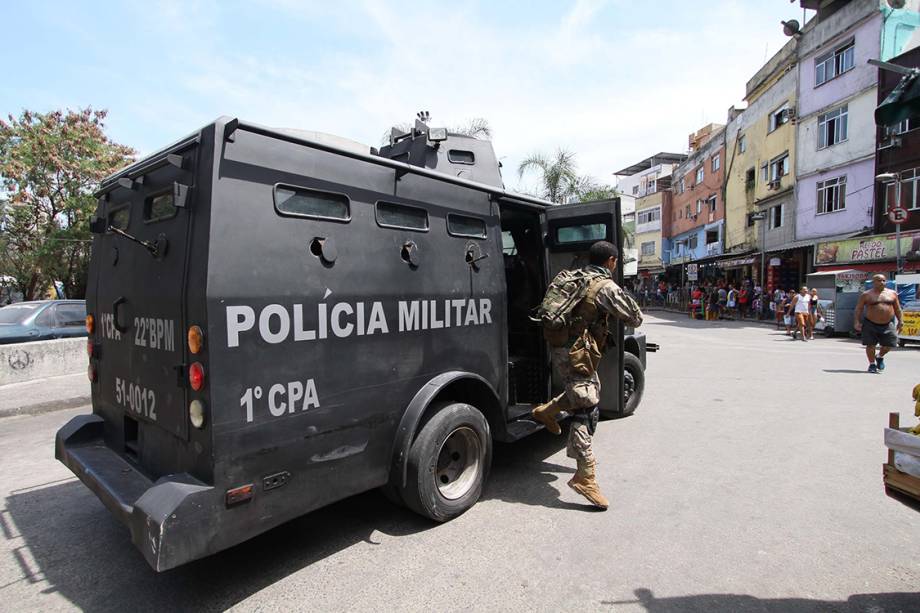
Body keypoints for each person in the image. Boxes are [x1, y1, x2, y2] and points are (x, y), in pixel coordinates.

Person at [531, 241, 643, 509]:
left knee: (586, 390)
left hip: (560, 345)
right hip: (577, 352)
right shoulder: (604, 286)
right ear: (612, 261)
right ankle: (586, 475)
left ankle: (546, 411)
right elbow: (634, 318)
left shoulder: (572, 276)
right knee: (587, 408)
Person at [854, 274, 903, 373]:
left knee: (890, 344)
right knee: (870, 345)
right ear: (874, 282)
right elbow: (859, 309)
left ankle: (879, 356)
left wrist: (901, 321)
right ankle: (872, 364)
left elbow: (898, 309)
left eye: (884, 280)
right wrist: (857, 322)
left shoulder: (892, 293)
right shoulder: (866, 294)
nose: (882, 283)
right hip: (870, 323)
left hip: (887, 323)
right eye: (879, 280)